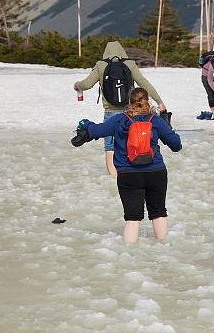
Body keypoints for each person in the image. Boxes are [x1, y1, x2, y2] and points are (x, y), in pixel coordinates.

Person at [71, 87, 182, 244]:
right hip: (156, 173)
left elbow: (97, 131)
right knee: (158, 213)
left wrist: (86, 124)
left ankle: (130, 256)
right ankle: (163, 249)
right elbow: (176, 145)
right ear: (147, 101)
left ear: (129, 102)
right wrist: (168, 129)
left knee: (132, 218)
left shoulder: (119, 120)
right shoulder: (155, 120)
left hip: (128, 175)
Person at [74, 41, 167, 178]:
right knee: (130, 144)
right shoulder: (129, 64)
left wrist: (77, 85)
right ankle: (130, 175)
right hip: (129, 114)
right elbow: (144, 83)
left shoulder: (101, 65)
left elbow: (87, 84)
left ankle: (115, 178)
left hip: (110, 114)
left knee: (110, 148)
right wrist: (159, 102)